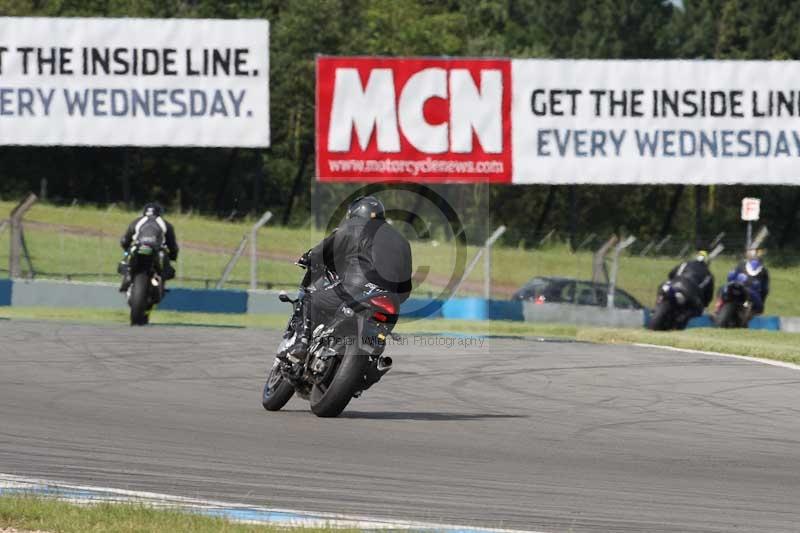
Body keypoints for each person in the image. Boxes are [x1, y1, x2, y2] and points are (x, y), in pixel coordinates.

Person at [288, 196, 413, 360]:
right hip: (390, 301)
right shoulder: (403, 241)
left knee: (308, 300)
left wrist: (309, 257)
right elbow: (405, 287)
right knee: (378, 339)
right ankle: (371, 361)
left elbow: (326, 249)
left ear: (355, 212)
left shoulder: (354, 225)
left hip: (356, 288)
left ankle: (302, 344)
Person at [118, 203, 179, 292]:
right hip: (157, 250)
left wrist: (126, 249)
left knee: (126, 260)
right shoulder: (165, 224)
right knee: (167, 270)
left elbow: (124, 241)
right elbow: (172, 245)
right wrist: (173, 256)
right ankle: (159, 283)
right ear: (160, 213)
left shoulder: (137, 221)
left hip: (138, 247)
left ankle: (128, 275)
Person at [666, 250, 715, 319]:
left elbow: (671, 274)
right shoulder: (709, 275)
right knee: (697, 310)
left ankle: (655, 310)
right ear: (707, 262)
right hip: (691, 291)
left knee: (664, 292)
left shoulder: (685, 264)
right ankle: (683, 320)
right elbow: (708, 297)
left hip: (675, 284)